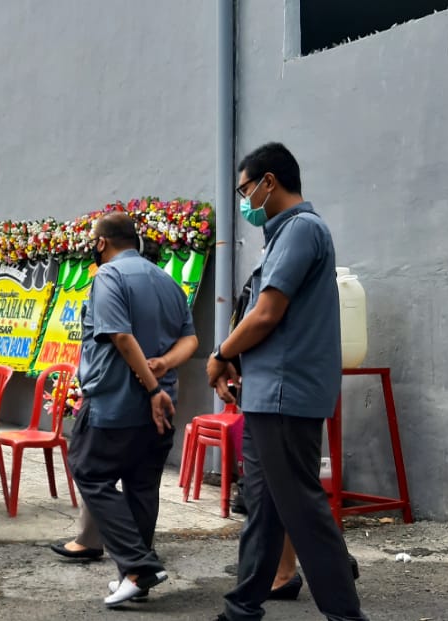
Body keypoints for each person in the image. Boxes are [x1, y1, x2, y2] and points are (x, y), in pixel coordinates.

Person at [208, 143, 367, 621]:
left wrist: (221, 354)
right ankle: (243, 606)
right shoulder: (281, 236)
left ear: (268, 182)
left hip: (285, 395)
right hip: (266, 393)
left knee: (299, 505)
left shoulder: (301, 230)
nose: (243, 201)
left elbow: (266, 313)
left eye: (244, 190)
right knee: (264, 505)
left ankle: (344, 613)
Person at [69, 213, 197, 607]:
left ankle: (140, 566)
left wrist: (152, 382)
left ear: (102, 243)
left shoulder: (109, 277)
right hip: (160, 410)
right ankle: (134, 575)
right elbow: (189, 340)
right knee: (142, 487)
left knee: (90, 472)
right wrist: (163, 365)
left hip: (116, 404)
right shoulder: (168, 282)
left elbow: (121, 336)